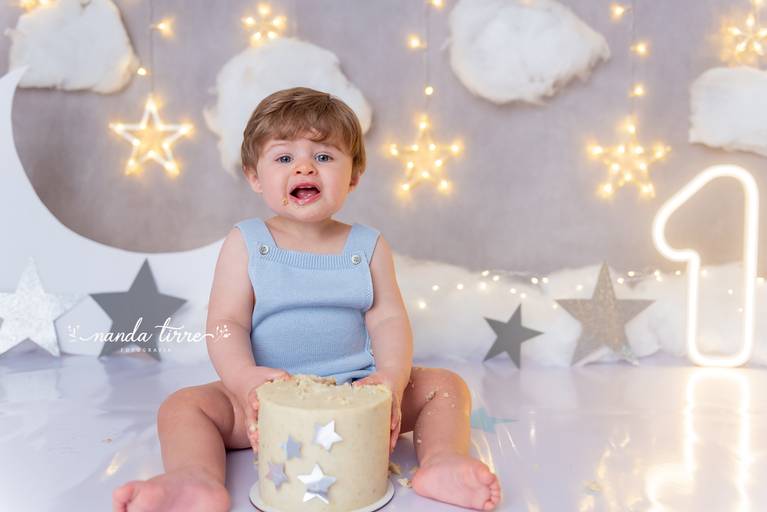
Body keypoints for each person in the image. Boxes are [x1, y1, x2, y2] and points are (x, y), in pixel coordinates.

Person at [112, 87, 501, 511]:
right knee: (183, 407)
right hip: (267, 401)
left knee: (445, 387)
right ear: (254, 176)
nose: (304, 167)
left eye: (324, 156)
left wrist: (390, 377)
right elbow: (226, 322)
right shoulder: (247, 242)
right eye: (284, 158)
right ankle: (195, 480)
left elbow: (388, 319)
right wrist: (243, 380)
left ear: (353, 176)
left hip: (355, 396)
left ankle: (442, 462)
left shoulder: (368, 246)